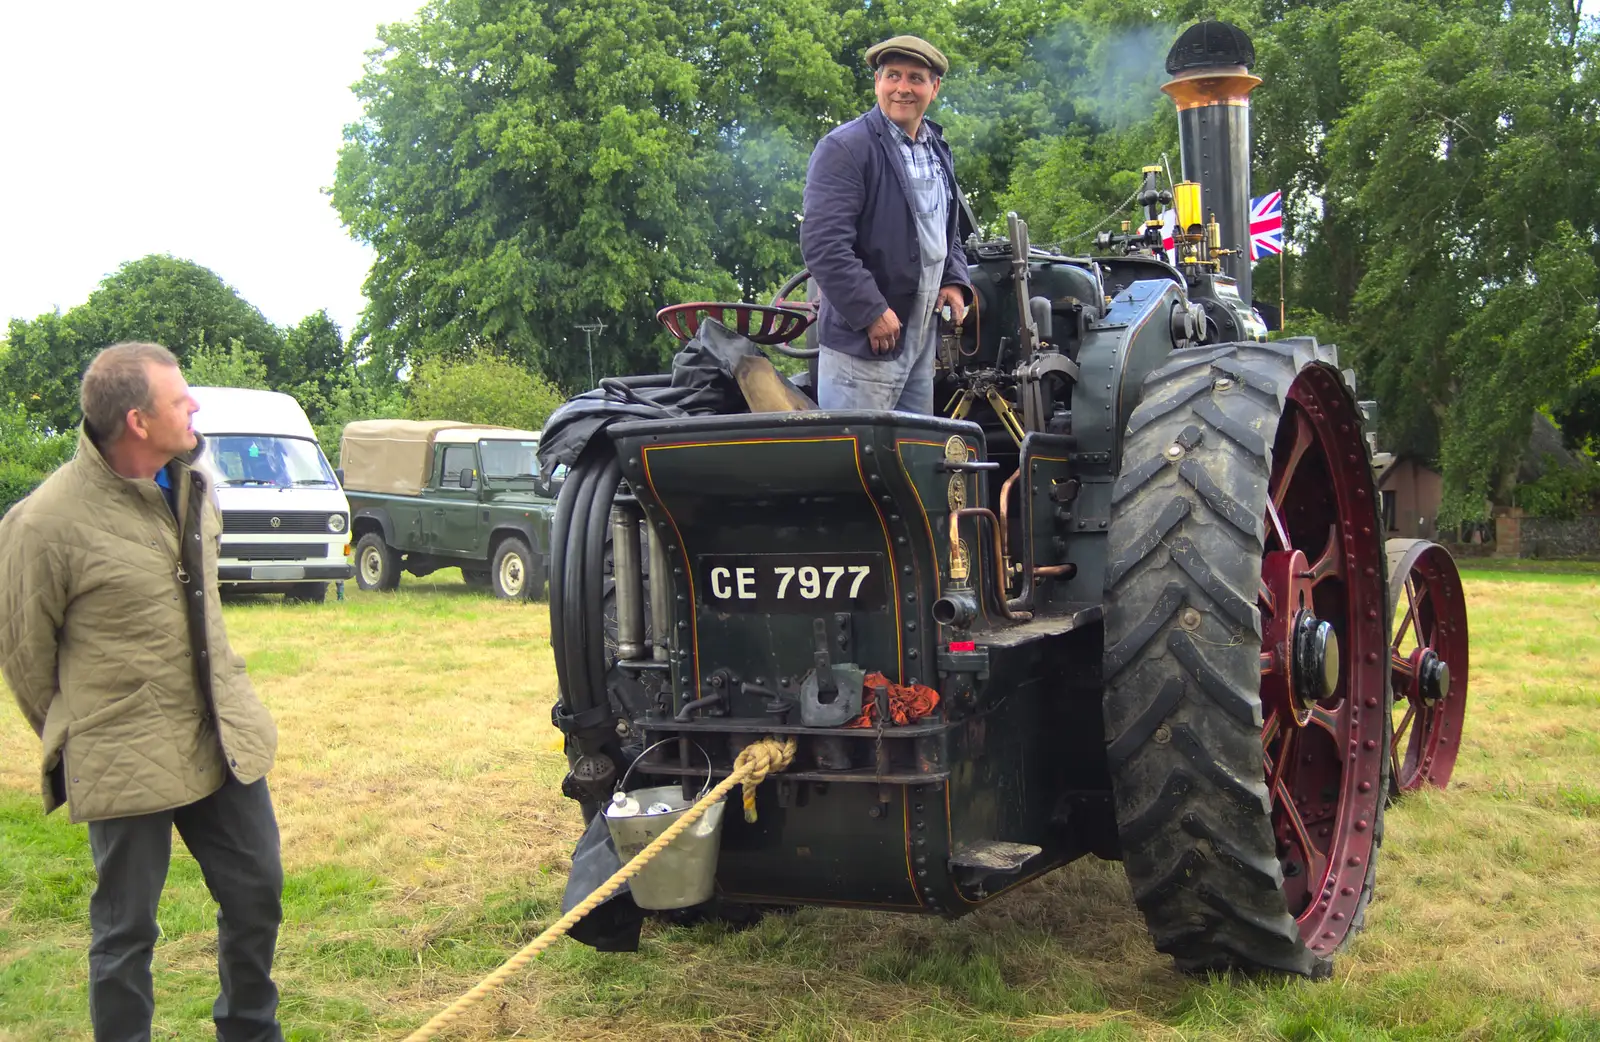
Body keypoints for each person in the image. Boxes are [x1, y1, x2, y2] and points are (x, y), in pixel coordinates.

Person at [0, 342, 283, 1042]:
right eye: (178, 399)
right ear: (135, 420)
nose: (194, 407)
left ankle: (249, 1030)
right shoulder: (44, 524)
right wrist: (88, 728)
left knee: (258, 894)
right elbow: (25, 655)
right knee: (126, 931)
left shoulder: (192, 482)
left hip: (220, 733)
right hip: (123, 750)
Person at [800, 34, 973, 413]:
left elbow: (947, 231)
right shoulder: (845, 148)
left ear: (935, 87)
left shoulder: (937, 149)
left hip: (919, 343)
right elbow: (823, 246)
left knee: (912, 462)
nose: (903, 89)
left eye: (916, 78)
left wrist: (954, 281)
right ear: (877, 82)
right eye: (893, 75)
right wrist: (870, 312)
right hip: (864, 345)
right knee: (856, 467)